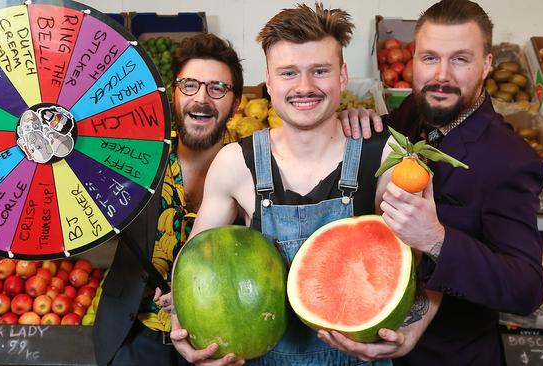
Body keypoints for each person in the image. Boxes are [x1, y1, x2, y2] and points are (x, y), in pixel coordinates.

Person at [169, 3, 441, 365]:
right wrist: (181, 325)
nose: (304, 87)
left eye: (320, 70)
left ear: (342, 76)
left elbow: (430, 255)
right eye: (288, 73)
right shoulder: (236, 163)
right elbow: (193, 262)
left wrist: (413, 331)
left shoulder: (387, 157)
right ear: (268, 80)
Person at [93, 32, 383, 366]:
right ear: (173, 93)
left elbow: (309, 132)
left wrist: (355, 117)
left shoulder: (248, 161)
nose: (201, 98)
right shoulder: (131, 158)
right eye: (189, 85)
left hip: (231, 332)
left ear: (237, 103)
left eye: (217, 88)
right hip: (136, 329)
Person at [330, 1, 543, 364]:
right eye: (430, 58)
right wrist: (359, 119)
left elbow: (526, 289)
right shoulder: (414, 111)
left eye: (460, 59)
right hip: (374, 339)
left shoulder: (511, 160)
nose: (441, 75)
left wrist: (436, 240)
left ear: (487, 64)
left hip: (451, 355)